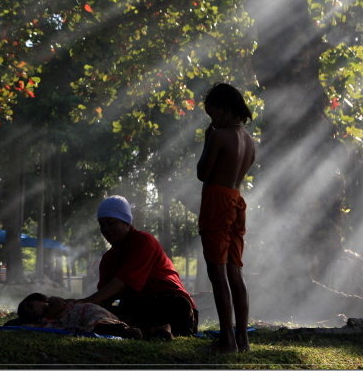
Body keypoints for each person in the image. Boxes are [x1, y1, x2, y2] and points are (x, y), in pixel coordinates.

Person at [76, 195, 197, 340]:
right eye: (102, 225)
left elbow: (123, 280)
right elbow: (105, 299)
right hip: (136, 307)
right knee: (98, 313)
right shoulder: (108, 259)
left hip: (167, 304)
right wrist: (79, 308)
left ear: (127, 223)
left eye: (110, 223)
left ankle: (132, 327)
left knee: (178, 305)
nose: (106, 229)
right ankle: (147, 329)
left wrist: (90, 301)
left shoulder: (144, 242)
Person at [196, 82, 255, 353]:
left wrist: (209, 138)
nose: (212, 121)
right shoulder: (249, 141)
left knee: (216, 272)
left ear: (225, 109)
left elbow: (203, 172)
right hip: (236, 201)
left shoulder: (220, 137)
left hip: (217, 201)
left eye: (213, 114)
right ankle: (242, 339)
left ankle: (227, 341)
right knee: (234, 272)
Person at [13, 293, 142, 338]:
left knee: (97, 327)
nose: (31, 311)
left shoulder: (52, 301)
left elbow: (60, 306)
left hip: (88, 312)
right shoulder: (46, 320)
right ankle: (149, 330)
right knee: (96, 330)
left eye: (31, 306)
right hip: (83, 321)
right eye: (28, 313)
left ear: (42, 299)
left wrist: (42, 320)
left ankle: (127, 329)